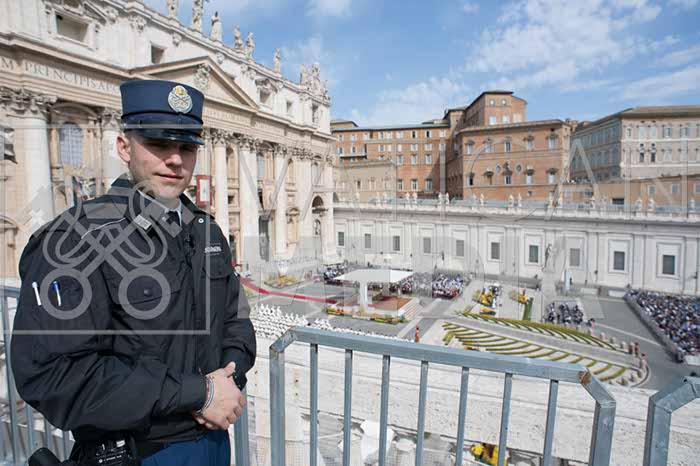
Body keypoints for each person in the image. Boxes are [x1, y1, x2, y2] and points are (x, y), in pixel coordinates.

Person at [11, 80, 256, 466]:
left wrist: (230, 379)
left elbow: (236, 321)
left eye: (187, 148)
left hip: (212, 440)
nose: (175, 160)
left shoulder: (206, 231)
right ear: (125, 147)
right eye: (158, 144)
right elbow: (53, 375)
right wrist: (199, 394)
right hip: (139, 451)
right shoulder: (75, 238)